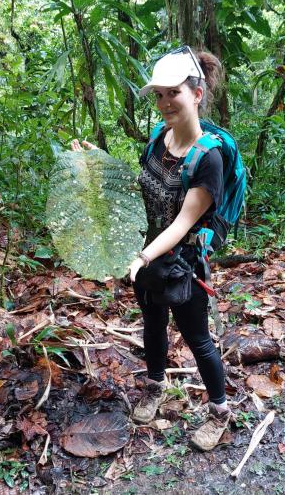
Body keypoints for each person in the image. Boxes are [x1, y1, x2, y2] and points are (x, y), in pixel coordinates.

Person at [72, 47, 230, 451]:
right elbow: (138, 191)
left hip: (182, 263)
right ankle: (155, 387)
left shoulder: (208, 159)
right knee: (153, 325)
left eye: (171, 93)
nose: (162, 103)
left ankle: (220, 411)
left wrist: (143, 256)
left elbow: (182, 222)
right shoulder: (160, 138)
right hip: (145, 259)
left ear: (196, 93)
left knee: (198, 339)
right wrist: (98, 162)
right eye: (158, 95)